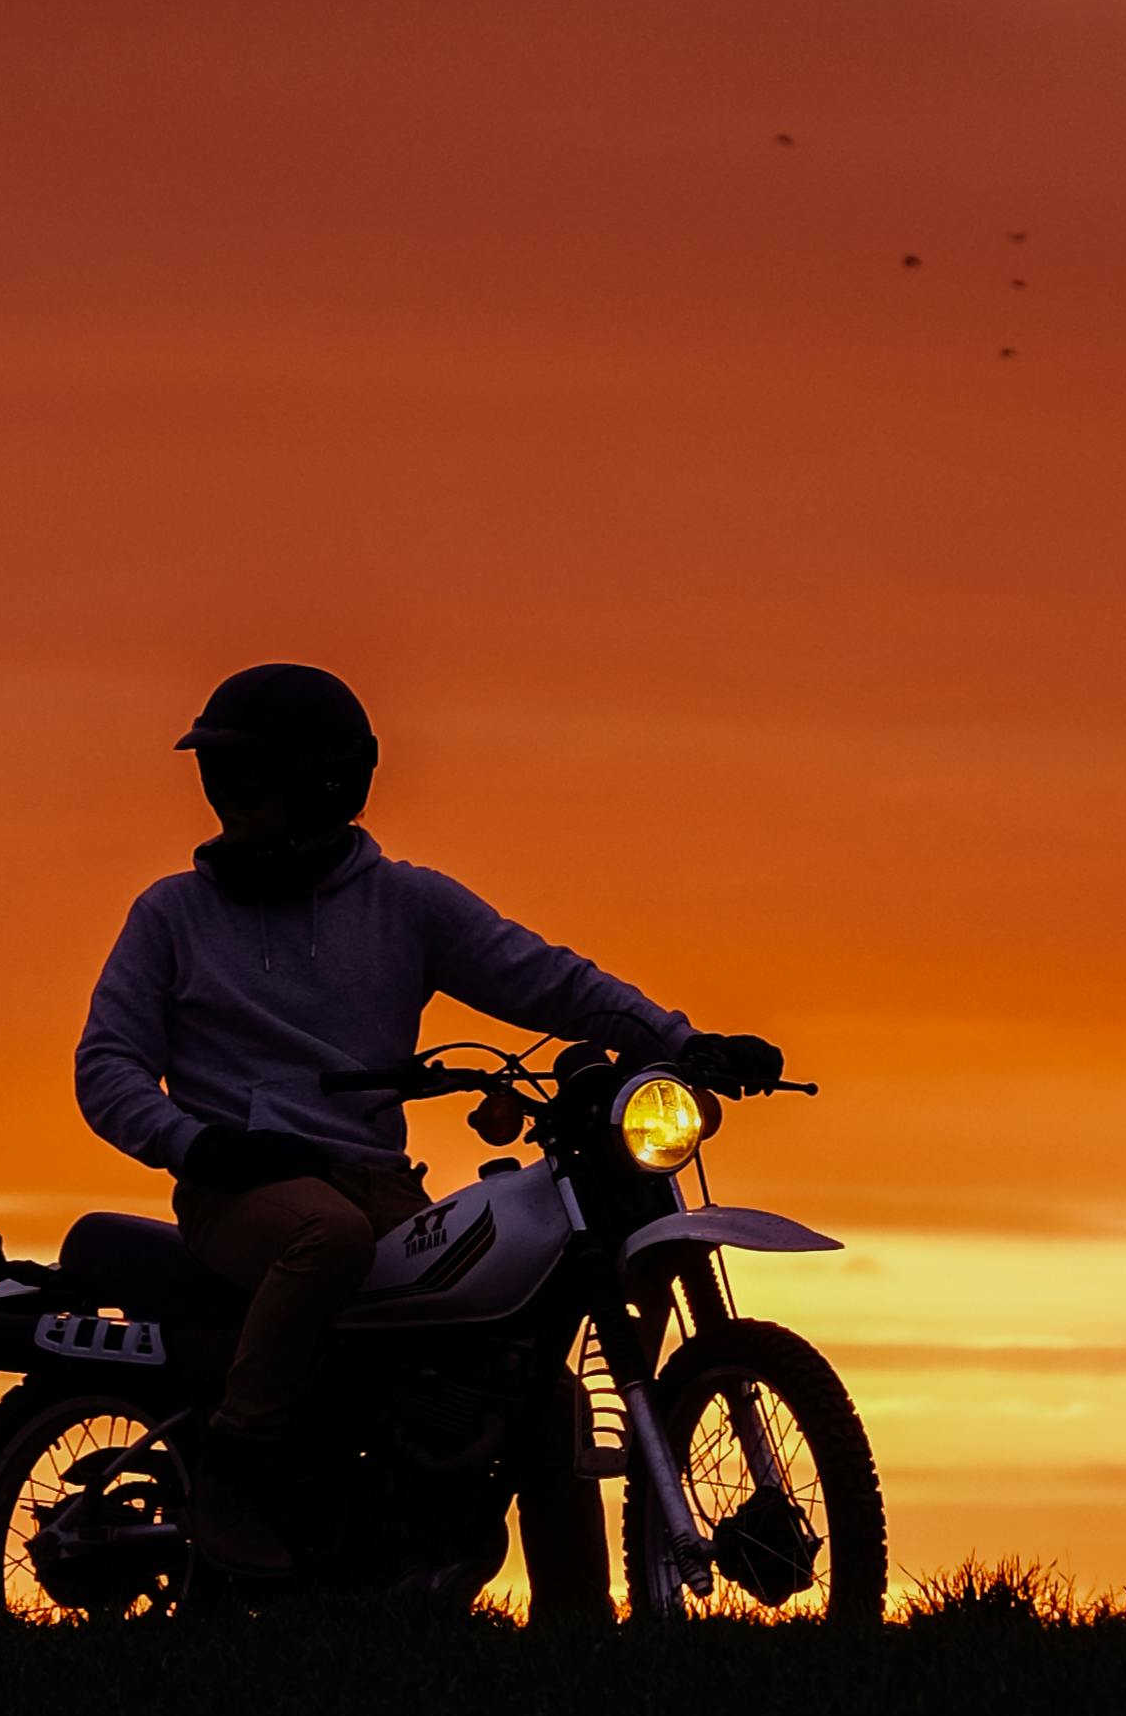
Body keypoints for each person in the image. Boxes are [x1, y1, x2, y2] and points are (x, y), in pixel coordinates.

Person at [72, 663, 785, 1604]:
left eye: (245, 779)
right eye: (216, 779)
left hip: (380, 1188)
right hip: (240, 1194)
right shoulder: (171, 913)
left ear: (325, 783)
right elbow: (106, 1065)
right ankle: (235, 1478)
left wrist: (685, 1041)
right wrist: (197, 1144)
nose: (224, 802)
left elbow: (548, 980)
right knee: (322, 1236)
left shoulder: (406, 903)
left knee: (535, 1380)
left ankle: (581, 1628)